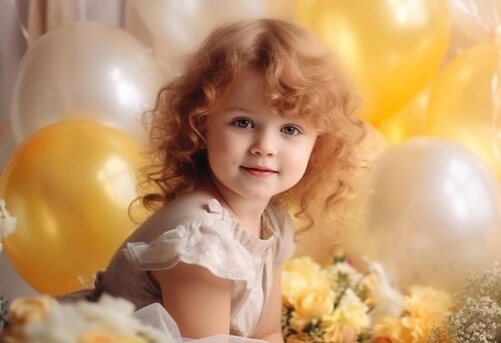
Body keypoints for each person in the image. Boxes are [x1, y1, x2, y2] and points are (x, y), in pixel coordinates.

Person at [64, 18, 367, 342]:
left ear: (318, 145)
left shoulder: (271, 223)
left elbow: (266, 333)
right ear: (201, 125)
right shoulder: (200, 243)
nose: (265, 146)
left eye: (290, 129)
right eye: (243, 122)